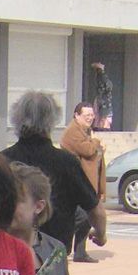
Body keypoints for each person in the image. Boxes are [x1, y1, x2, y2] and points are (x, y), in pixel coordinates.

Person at [1, 91, 107, 255]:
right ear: (52, 121)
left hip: (8, 257)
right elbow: (95, 209)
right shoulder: (66, 162)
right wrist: (100, 235)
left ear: (16, 119)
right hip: (52, 260)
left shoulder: (1, 161)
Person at [59, 102, 105, 263]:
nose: (90, 118)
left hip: (85, 184)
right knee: (80, 217)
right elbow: (88, 150)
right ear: (76, 115)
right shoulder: (72, 132)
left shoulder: (85, 132)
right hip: (73, 185)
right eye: (86, 115)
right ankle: (63, 248)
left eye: (92, 115)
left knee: (86, 219)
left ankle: (80, 252)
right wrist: (97, 143)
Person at [91, 62, 112, 130]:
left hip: (104, 103)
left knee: (105, 119)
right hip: (100, 101)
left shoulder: (106, 83)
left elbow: (108, 86)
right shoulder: (98, 98)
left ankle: (102, 126)